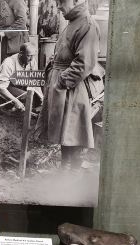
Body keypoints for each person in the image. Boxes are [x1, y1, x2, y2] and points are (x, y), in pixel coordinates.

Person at [35, 0, 100, 169]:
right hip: (62, 88)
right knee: (65, 137)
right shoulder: (72, 22)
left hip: (72, 90)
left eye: (61, 2)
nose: (58, 7)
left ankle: (71, 182)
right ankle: (63, 178)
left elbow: (84, 63)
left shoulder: (87, 24)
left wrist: (62, 81)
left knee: (73, 135)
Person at [0, 0, 29, 88]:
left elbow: (22, 21)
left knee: (14, 72)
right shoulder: (3, 2)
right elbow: (0, 23)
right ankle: (4, 94)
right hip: (4, 43)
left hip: (15, 43)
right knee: (3, 70)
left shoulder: (18, 2)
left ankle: (15, 96)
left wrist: (6, 33)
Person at [0, 42, 41, 111]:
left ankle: (23, 105)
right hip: (7, 86)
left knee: (39, 94)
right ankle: (1, 101)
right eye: (29, 56)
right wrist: (16, 101)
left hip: (19, 83)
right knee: (27, 97)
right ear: (21, 54)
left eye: (33, 55)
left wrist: (41, 98)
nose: (31, 59)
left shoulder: (32, 60)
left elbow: (35, 81)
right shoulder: (9, 63)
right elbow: (1, 88)